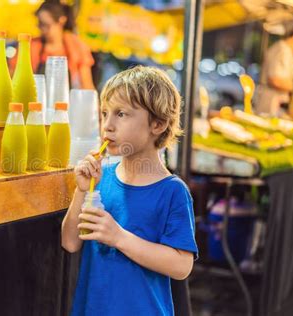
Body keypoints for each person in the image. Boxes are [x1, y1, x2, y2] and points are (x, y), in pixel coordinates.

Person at [62, 66, 198, 315]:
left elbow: (181, 265)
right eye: (105, 113)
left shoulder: (172, 192)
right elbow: (70, 242)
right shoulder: (100, 180)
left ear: (157, 124)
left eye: (121, 114)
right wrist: (81, 191)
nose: (108, 125)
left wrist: (119, 237)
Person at [10, 1, 95, 89]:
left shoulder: (75, 46)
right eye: (39, 24)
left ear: (61, 21)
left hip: (67, 100)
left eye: (46, 25)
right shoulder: (31, 46)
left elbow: (87, 85)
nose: (42, 29)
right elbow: (13, 78)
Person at [255, 17, 293, 115]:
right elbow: (275, 79)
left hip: (278, 109)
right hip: (271, 108)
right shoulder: (281, 50)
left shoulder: (287, 52)